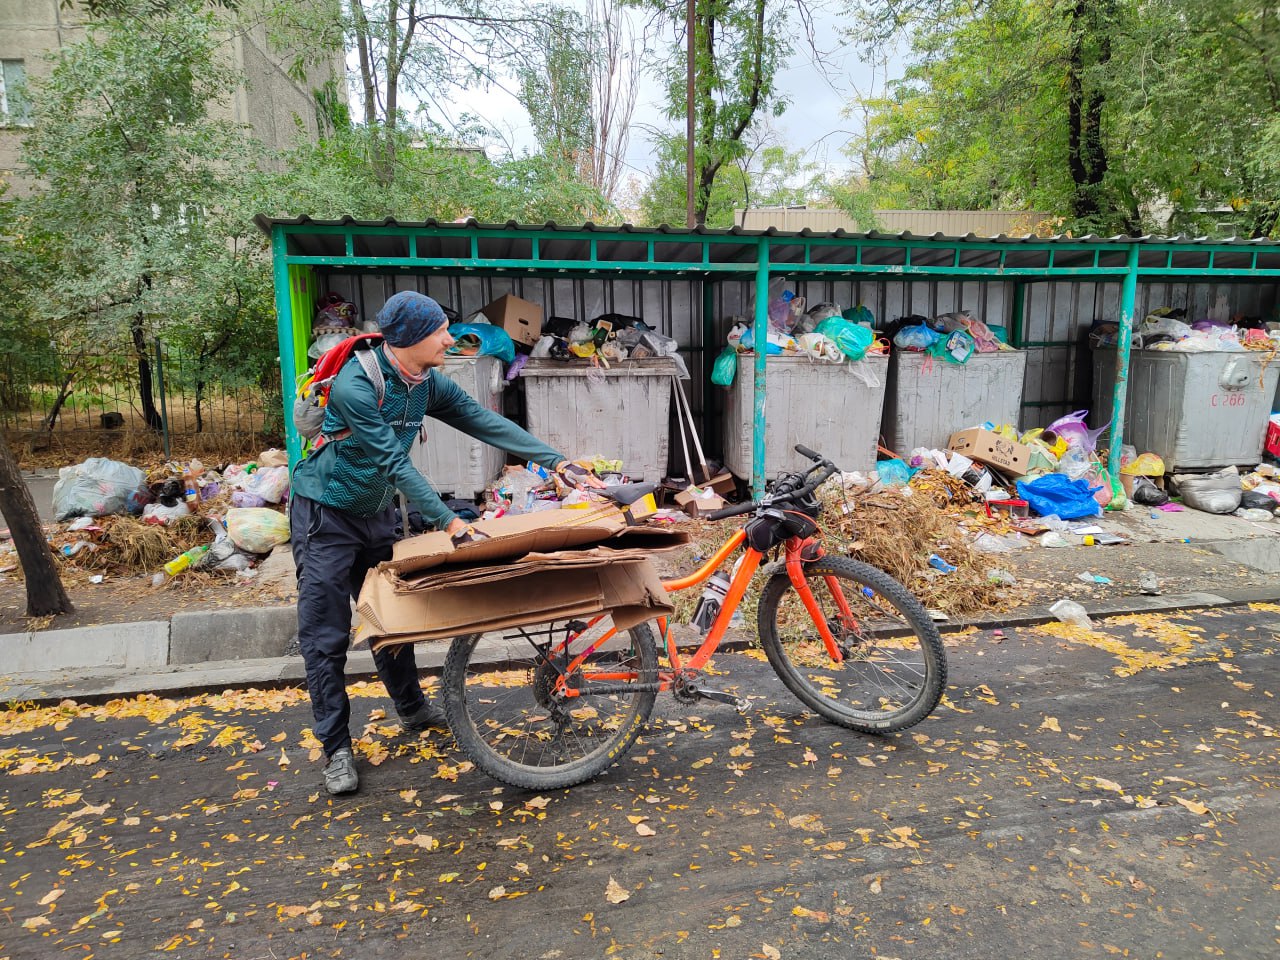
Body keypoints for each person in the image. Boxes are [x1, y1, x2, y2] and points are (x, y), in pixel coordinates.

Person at [290, 291, 593, 795]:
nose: (450, 338)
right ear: (410, 339)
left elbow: (485, 421)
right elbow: (393, 462)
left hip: (375, 514)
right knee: (325, 636)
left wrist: (556, 461)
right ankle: (337, 747)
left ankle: (411, 708)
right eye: (440, 331)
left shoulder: (426, 382)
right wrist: (449, 522)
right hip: (325, 515)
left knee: (390, 618)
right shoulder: (355, 386)